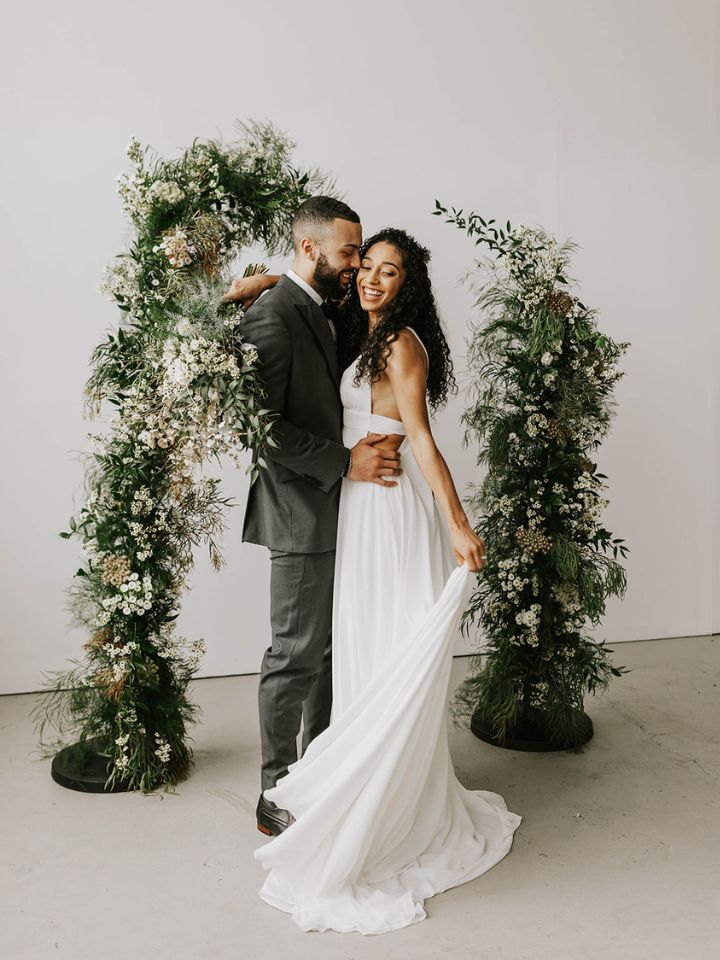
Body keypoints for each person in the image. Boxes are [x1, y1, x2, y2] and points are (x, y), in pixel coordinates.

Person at [230, 225, 522, 935]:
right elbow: (301, 301)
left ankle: (379, 804)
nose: (371, 279)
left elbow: (419, 437)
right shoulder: (354, 329)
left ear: (407, 284)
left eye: (389, 272)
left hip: (389, 512)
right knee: (354, 655)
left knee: (382, 654)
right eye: (365, 267)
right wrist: (259, 284)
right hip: (353, 511)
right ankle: (341, 784)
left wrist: (457, 520)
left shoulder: (398, 344)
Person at [231, 197, 403, 839]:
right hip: (301, 511)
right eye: (349, 253)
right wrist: (344, 463)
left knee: (331, 652)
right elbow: (264, 430)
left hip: (341, 510)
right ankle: (276, 787)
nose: (357, 265)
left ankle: (318, 769)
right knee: (295, 653)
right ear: (311, 250)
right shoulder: (272, 318)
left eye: (361, 253)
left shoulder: (313, 302)